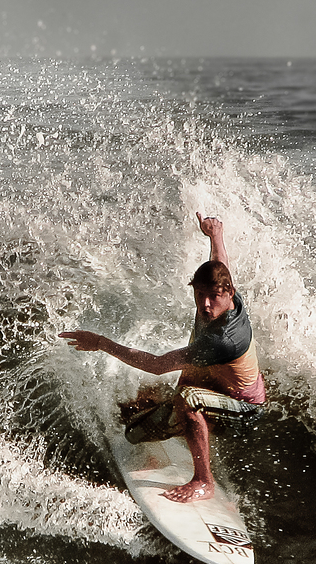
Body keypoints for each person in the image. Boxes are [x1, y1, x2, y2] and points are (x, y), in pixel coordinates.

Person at [59, 213, 267, 503]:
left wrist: (101, 343)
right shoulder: (224, 292)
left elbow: (157, 365)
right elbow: (220, 263)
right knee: (133, 430)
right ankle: (179, 425)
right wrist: (214, 235)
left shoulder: (224, 339)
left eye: (213, 298)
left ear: (228, 293)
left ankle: (202, 481)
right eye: (200, 295)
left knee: (189, 398)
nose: (206, 305)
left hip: (242, 409)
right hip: (216, 388)